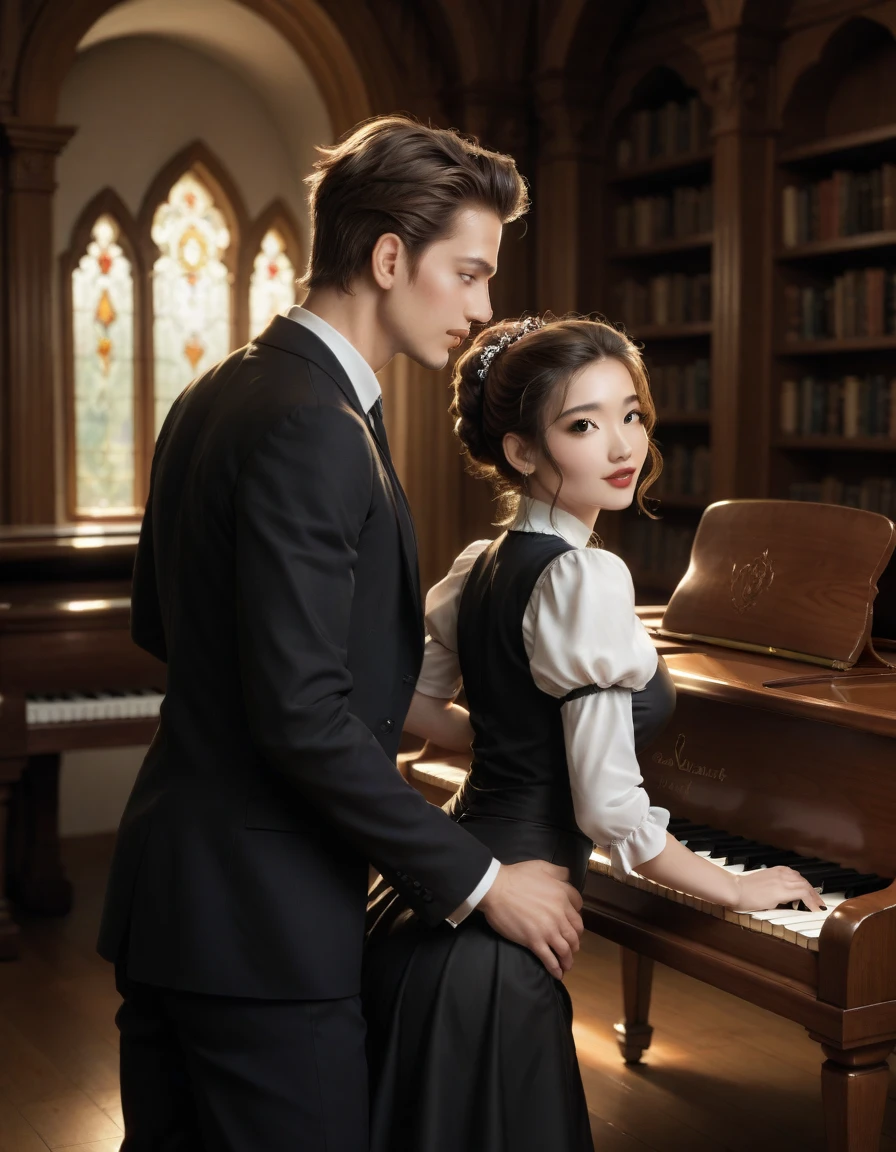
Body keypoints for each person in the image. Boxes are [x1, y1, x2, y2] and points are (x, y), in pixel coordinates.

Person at [96, 117, 585, 1152]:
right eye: (468, 272)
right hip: (258, 930)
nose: (483, 307)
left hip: (178, 897)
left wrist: (450, 728)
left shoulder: (217, 391)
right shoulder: (317, 423)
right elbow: (300, 714)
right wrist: (484, 879)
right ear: (389, 256)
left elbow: (169, 625)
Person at [363, 315, 825, 1152]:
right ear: (522, 452)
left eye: (632, 414)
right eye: (583, 424)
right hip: (504, 941)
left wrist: (512, 745)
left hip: (426, 908)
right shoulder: (586, 576)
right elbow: (613, 816)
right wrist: (741, 888)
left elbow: (409, 712)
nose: (623, 445)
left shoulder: (481, 563)